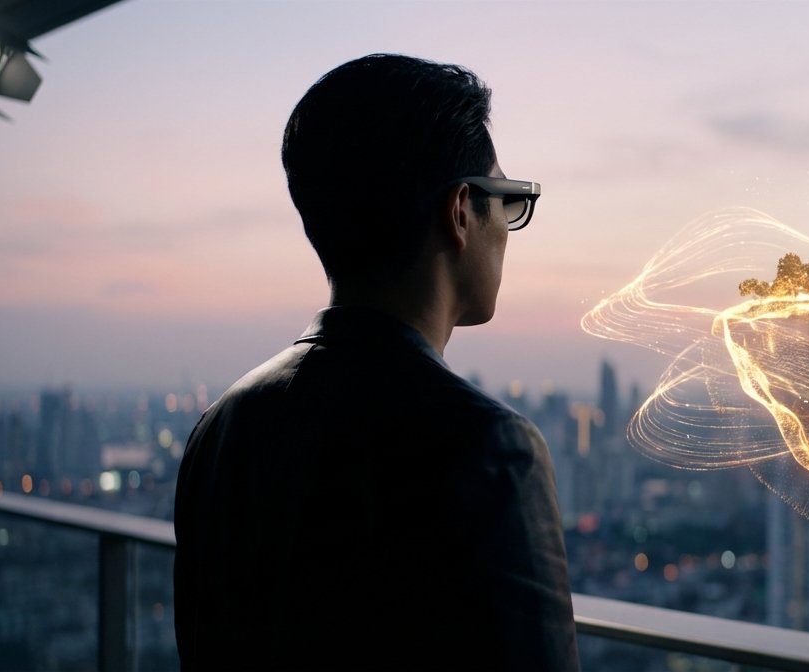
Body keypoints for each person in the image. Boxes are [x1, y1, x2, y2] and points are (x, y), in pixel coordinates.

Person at [173, 53, 580, 671]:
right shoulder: (487, 446)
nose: (507, 228)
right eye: (507, 201)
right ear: (460, 211)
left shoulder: (222, 428)